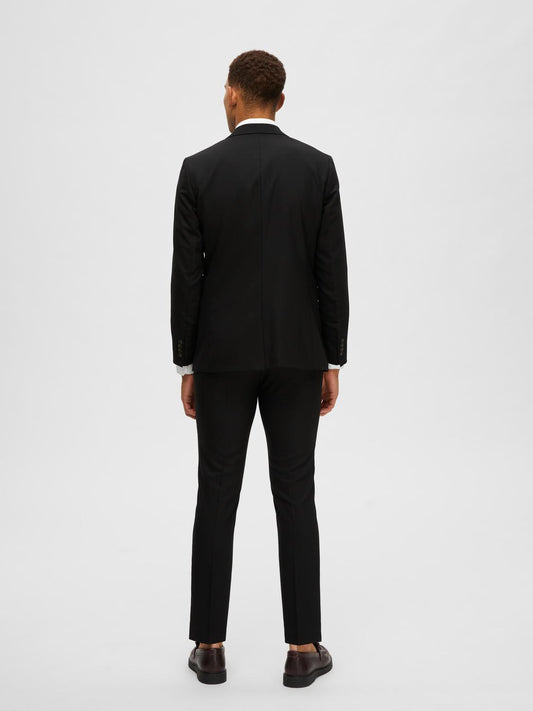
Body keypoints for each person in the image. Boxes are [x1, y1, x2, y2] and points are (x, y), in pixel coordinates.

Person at [170, 49, 349, 687]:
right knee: (296, 493)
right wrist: (332, 356)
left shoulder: (199, 170)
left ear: (235, 94)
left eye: (225, 92)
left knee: (216, 492)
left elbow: (187, 277)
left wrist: (187, 362)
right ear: (281, 100)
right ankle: (302, 650)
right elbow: (331, 269)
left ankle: (209, 648)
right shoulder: (317, 168)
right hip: (300, 356)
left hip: (221, 358)